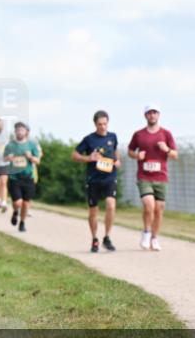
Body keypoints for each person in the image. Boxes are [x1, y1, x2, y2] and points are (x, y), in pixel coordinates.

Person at [128, 105, 178, 251]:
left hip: (161, 176)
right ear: (145, 116)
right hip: (144, 176)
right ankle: (146, 233)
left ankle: (154, 238)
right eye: (149, 113)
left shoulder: (166, 134)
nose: (152, 115)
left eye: (154, 112)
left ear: (158, 115)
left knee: (159, 209)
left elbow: (175, 155)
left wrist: (166, 149)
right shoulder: (139, 134)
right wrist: (137, 155)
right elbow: (130, 151)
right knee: (149, 205)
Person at [73, 110, 120, 253]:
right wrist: (89, 158)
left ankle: (107, 237)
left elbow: (115, 150)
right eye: (100, 124)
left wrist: (117, 160)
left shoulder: (113, 136)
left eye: (105, 124)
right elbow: (75, 155)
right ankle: (94, 239)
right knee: (93, 211)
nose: (103, 127)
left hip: (109, 177)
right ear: (95, 124)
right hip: (93, 179)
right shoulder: (89, 139)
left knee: (111, 205)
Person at [4, 122, 41, 232]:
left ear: (26, 132)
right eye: (18, 130)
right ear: (15, 132)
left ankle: (22, 223)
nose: (20, 132)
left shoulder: (31, 145)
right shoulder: (10, 145)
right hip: (14, 178)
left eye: (22, 130)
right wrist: (8, 158)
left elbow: (37, 161)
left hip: (28, 177)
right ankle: (15, 211)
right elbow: (4, 158)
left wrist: (30, 157)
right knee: (17, 202)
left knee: (26, 203)